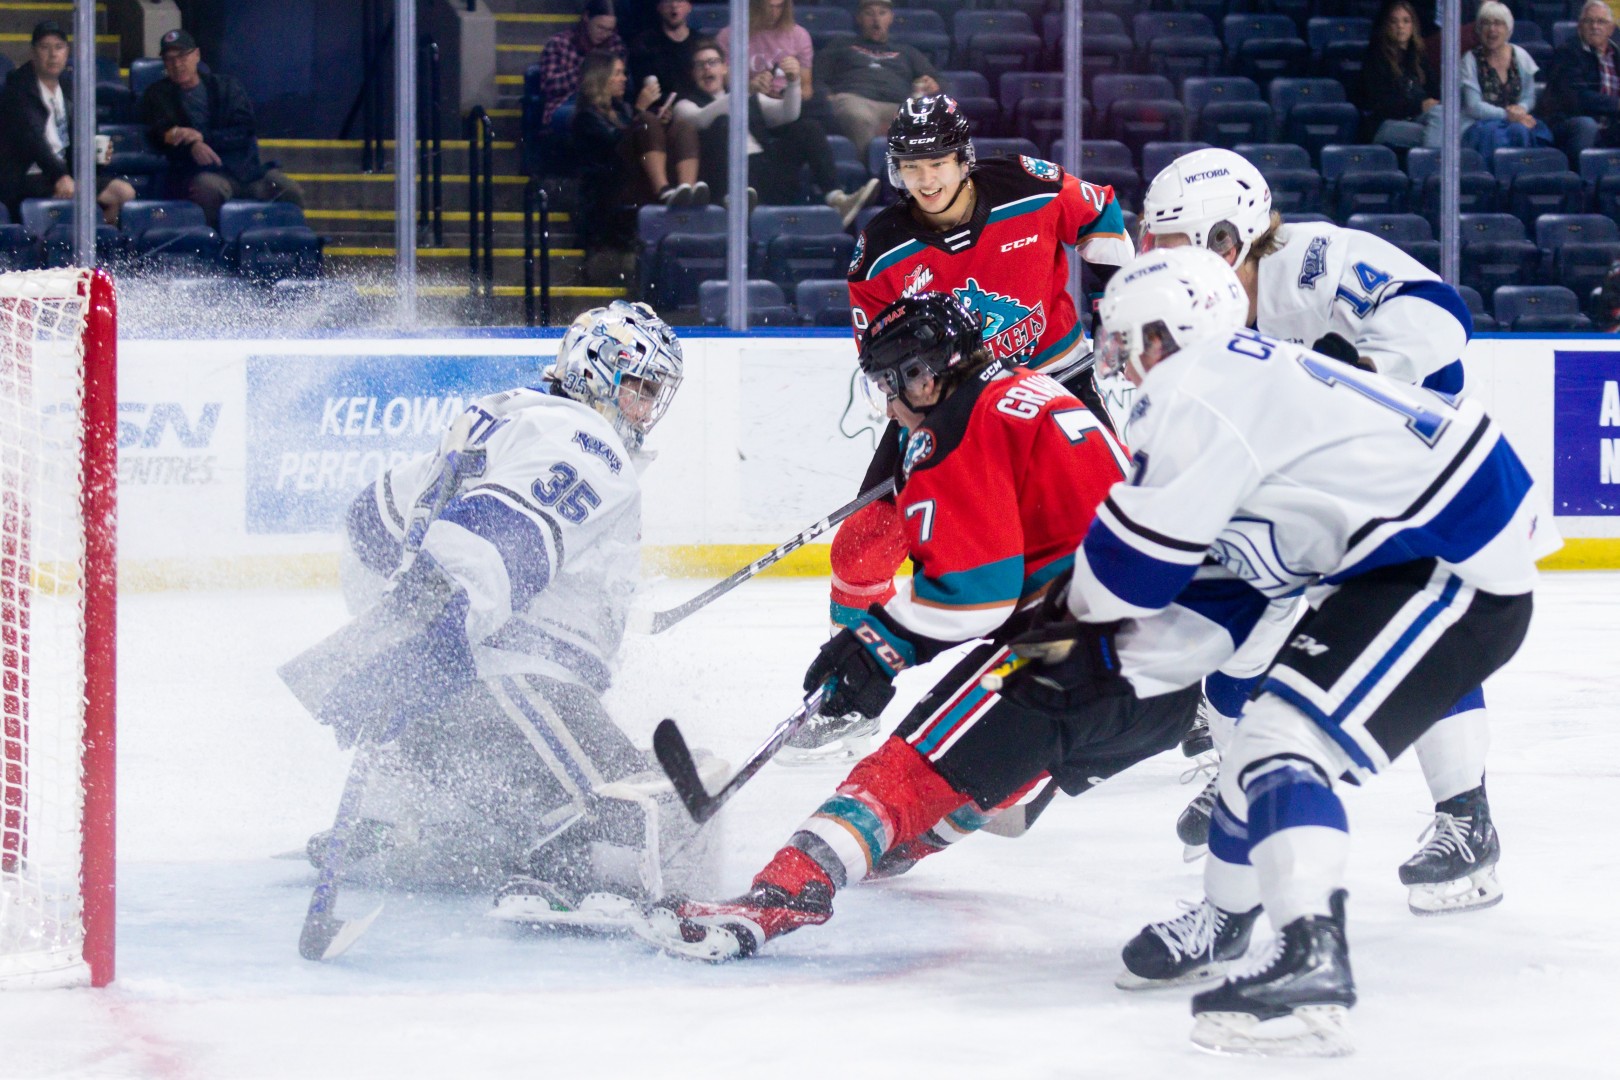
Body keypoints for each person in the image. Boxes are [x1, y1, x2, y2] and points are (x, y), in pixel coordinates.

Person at [635, 292, 1221, 962]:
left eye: (890, 383)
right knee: (983, 762)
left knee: (906, 769)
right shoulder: (1027, 390)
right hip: (1171, 681)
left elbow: (978, 598)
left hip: (1075, 652)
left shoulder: (962, 424)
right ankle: (890, 846)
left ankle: (780, 896)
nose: (887, 405)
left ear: (927, 374)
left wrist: (873, 648)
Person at [1069, 247, 1541, 1056]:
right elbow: (1220, 596)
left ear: (1175, 332)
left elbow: (1128, 578)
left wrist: (1052, 634)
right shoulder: (1248, 384)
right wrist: (1112, 659)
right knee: (1261, 735)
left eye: (1131, 340)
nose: (1124, 363)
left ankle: (1311, 958)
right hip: (1415, 547)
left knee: (1286, 744)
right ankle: (1227, 921)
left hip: (1450, 560)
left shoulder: (1199, 389)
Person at [1138, 147, 1532, 917]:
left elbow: (1439, 323)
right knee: (1233, 622)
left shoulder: (1315, 263)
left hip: (1416, 479)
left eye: (1177, 246)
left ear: (1229, 239)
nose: (1163, 265)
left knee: (1411, 621)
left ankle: (1467, 817)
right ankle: (1244, 778)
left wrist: (1352, 385)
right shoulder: (1203, 316)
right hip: (1312, 485)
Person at [279, 301, 718, 925]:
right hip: (514, 671)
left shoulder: (508, 413)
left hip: (469, 667)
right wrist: (429, 630)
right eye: (640, 388)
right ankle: (571, 857)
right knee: (633, 804)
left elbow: (372, 518)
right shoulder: (588, 442)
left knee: (485, 787)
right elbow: (497, 538)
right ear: (599, 374)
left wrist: (395, 627)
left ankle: (400, 811)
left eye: (655, 393)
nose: (648, 409)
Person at [790, 94, 1134, 764]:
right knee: (861, 546)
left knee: (1116, 531)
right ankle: (845, 687)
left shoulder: (1028, 186)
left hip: (1056, 386)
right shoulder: (881, 248)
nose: (926, 179)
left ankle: (1175, 680)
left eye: (939, 162)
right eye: (912, 166)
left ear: (964, 157)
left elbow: (1098, 214)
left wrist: (1120, 304)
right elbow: (877, 354)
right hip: (949, 403)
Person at [673, 38, 878, 220]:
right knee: (720, 122)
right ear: (693, 73)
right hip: (726, 180)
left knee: (807, 127)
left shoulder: (748, 97)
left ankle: (837, 198)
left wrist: (793, 81)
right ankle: (734, 198)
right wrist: (743, 91)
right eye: (700, 65)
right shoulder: (685, 105)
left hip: (765, 173)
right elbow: (701, 119)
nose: (707, 69)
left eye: (712, 63)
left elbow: (788, 113)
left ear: (724, 68)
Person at [138, 28, 303, 228]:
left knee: (290, 190)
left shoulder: (226, 87)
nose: (177, 64)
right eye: (169, 59)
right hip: (201, 173)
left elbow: (244, 129)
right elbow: (161, 133)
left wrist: (202, 139)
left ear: (196, 55)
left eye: (182, 56)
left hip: (245, 172)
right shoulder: (158, 94)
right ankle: (215, 250)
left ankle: (290, 249)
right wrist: (190, 145)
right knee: (208, 188)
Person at [0, 20, 135, 225]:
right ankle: (52, 250)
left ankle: (93, 249)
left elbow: (82, 133)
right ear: (33, 53)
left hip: (62, 173)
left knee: (124, 193)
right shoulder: (18, 89)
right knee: (70, 198)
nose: (53, 54)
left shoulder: (69, 87)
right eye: (45, 47)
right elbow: (34, 140)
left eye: (59, 47)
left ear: (67, 52)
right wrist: (61, 176)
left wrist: (97, 155)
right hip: (27, 175)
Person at [572, 48, 708, 247]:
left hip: (640, 173)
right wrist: (641, 112)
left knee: (682, 127)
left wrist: (655, 123)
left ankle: (686, 190)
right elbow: (615, 145)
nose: (624, 79)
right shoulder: (586, 116)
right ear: (600, 77)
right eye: (617, 73)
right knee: (646, 119)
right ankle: (663, 190)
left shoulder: (623, 109)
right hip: (616, 182)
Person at [817, 0, 941, 151]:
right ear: (859, 18)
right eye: (869, 14)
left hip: (897, 103)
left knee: (923, 118)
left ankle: (905, 171)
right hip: (856, 100)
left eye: (882, 13)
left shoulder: (907, 51)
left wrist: (933, 85)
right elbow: (816, 76)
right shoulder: (841, 45)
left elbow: (939, 81)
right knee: (858, 117)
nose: (876, 21)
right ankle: (869, 170)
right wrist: (827, 97)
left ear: (891, 18)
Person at [1434, 1, 1549, 152]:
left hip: (1517, 121)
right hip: (1481, 123)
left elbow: (1529, 96)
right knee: (1510, 132)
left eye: (1498, 23)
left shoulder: (1521, 56)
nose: (1492, 29)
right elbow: (1473, 106)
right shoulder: (1470, 59)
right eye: (1486, 24)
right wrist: (1508, 115)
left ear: (1508, 29)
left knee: (1531, 132)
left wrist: (1521, 109)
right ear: (1479, 29)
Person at [1356, 0, 1441, 148]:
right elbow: (1380, 104)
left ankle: (1431, 161)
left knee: (1444, 119)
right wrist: (1419, 105)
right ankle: (1434, 165)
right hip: (1386, 124)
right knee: (1439, 133)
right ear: (1386, 26)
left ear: (1413, 26)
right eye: (1394, 22)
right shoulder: (1376, 57)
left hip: (1419, 118)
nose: (1400, 26)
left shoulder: (1419, 57)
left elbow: (1435, 93)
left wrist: (1429, 105)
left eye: (1406, 21)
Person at [1542, 0, 1620, 158]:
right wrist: (1617, 104)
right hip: (1571, 121)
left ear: (1611, 29)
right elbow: (1577, 97)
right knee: (1587, 125)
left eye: (1601, 22)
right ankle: (1582, 179)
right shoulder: (1567, 53)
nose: (1595, 26)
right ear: (1580, 26)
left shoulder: (1617, 55)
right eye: (1589, 21)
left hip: (1610, 123)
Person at [538, 0, 628, 128]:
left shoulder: (615, 44)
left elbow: (619, 83)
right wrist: (587, 70)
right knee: (586, 116)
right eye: (600, 27)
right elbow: (549, 85)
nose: (605, 34)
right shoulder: (559, 43)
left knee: (615, 116)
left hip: (605, 103)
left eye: (609, 30)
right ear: (586, 18)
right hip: (566, 103)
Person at [717, 0, 816, 107]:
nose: (773, 13)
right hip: (748, 104)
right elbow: (724, 82)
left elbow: (806, 90)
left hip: (788, 102)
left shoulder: (799, 35)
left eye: (779, 7)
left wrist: (793, 83)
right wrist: (750, 88)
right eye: (768, 7)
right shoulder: (729, 36)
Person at [629, 0, 703, 103]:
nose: (674, 6)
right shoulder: (644, 43)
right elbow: (644, 88)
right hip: (662, 109)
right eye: (668, 1)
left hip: (699, 105)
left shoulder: (702, 42)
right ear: (659, 7)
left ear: (689, 6)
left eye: (680, 1)